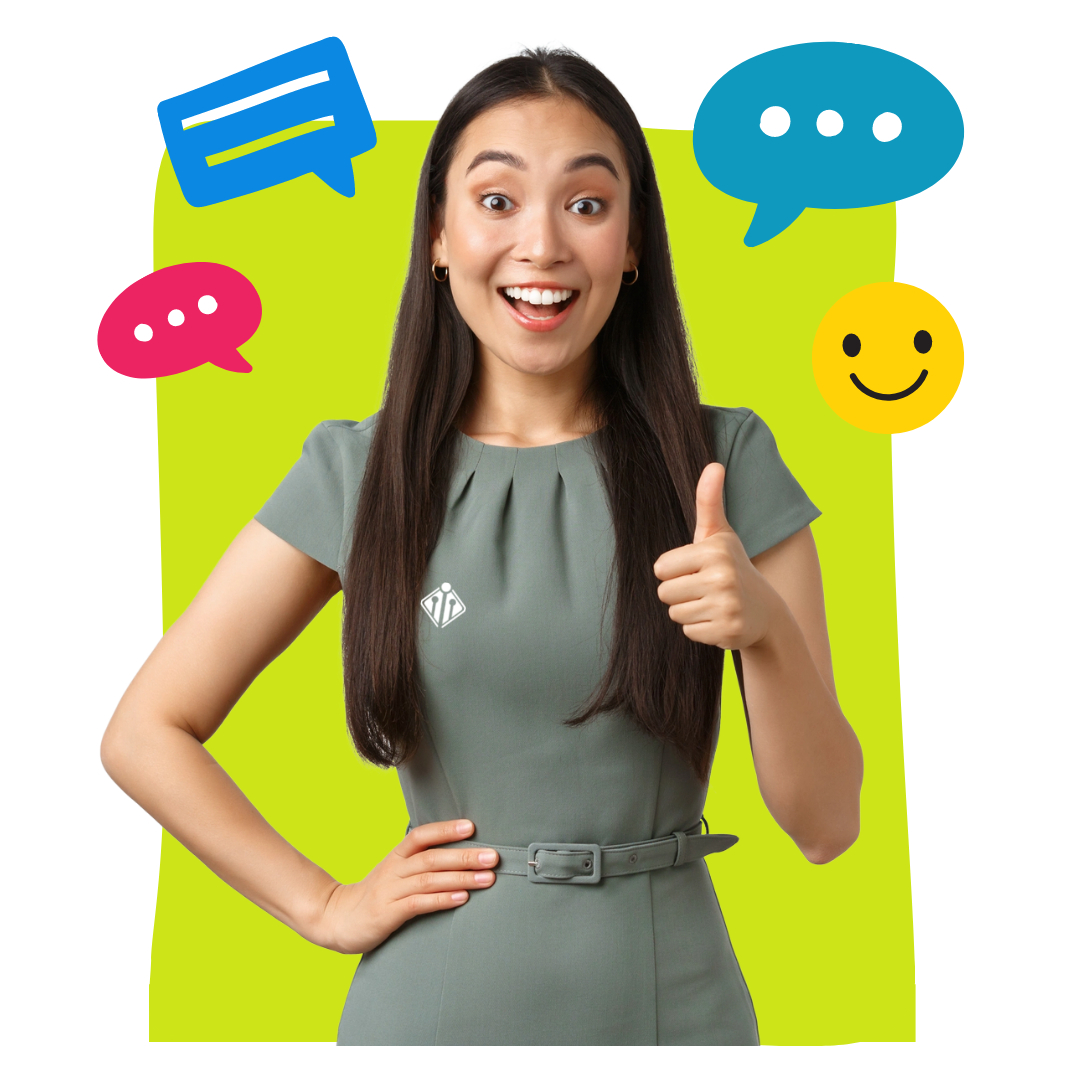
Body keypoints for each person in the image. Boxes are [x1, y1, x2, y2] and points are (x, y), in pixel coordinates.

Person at [102, 46, 863, 1046]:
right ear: (439, 237)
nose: (541, 245)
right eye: (497, 201)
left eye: (586, 205)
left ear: (634, 242)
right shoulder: (355, 474)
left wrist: (763, 632)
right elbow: (144, 734)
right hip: (429, 1018)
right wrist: (323, 906)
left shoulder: (727, 463)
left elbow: (825, 826)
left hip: (677, 1012)